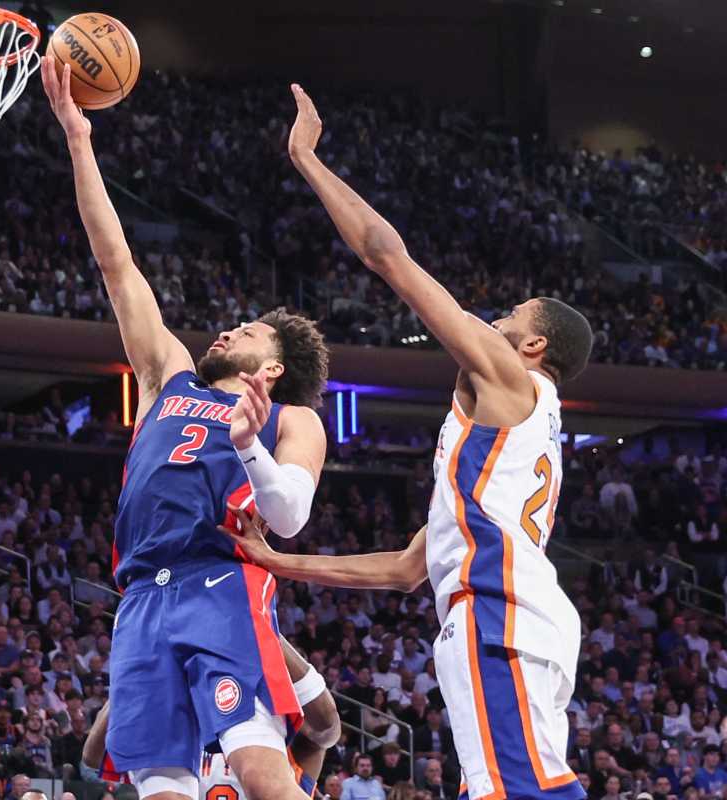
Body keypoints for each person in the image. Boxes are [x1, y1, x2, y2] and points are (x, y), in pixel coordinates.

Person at [225, 84, 594, 800]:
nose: (496, 317)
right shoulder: (500, 458)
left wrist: (306, 159)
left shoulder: (509, 380)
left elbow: (384, 254)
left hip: (498, 612)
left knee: (522, 793)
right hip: (513, 616)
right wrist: (277, 560)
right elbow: (400, 570)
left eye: (512, 313)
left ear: (534, 343)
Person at [41, 55, 332, 800]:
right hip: (140, 595)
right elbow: (117, 264)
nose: (231, 329)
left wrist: (246, 447)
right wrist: (79, 140)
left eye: (249, 332)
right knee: (161, 787)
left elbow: (289, 517)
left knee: (262, 772)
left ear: (272, 368)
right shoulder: (168, 376)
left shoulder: (293, 418)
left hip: (221, 583)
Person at [81, 635, 343, 799]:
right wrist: (133, 677)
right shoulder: (177, 733)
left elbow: (329, 728)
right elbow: (94, 757)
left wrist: (263, 630)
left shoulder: (289, 741)